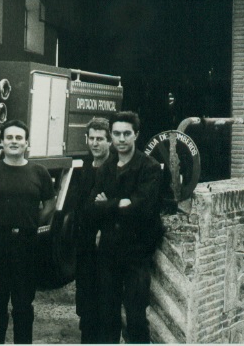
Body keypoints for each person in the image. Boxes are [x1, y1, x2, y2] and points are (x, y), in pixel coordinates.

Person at [0, 119, 56, 344]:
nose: (14, 142)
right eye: (9, 137)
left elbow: (49, 203)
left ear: (27, 142)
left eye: (19, 138)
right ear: (2, 141)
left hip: (27, 246)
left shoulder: (39, 172)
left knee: (23, 305)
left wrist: (31, 223)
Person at [86, 111, 163, 343]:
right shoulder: (106, 167)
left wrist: (107, 203)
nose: (120, 139)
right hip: (108, 253)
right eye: (116, 134)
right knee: (108, 317)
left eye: (126, 134)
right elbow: (91, 209)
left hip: (136, 254)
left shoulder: (149, 168)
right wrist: (121, 203)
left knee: (136, 318)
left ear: (136, 135)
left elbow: (142, 209)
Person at [65, 117, 112, 343]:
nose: (95, 143)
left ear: (109, 141)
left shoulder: (115, 170)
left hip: (104, 248)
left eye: (100, 139)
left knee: (105, 304)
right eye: (92, 138)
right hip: (84, 246)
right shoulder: (84, 166)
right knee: (85, 302)